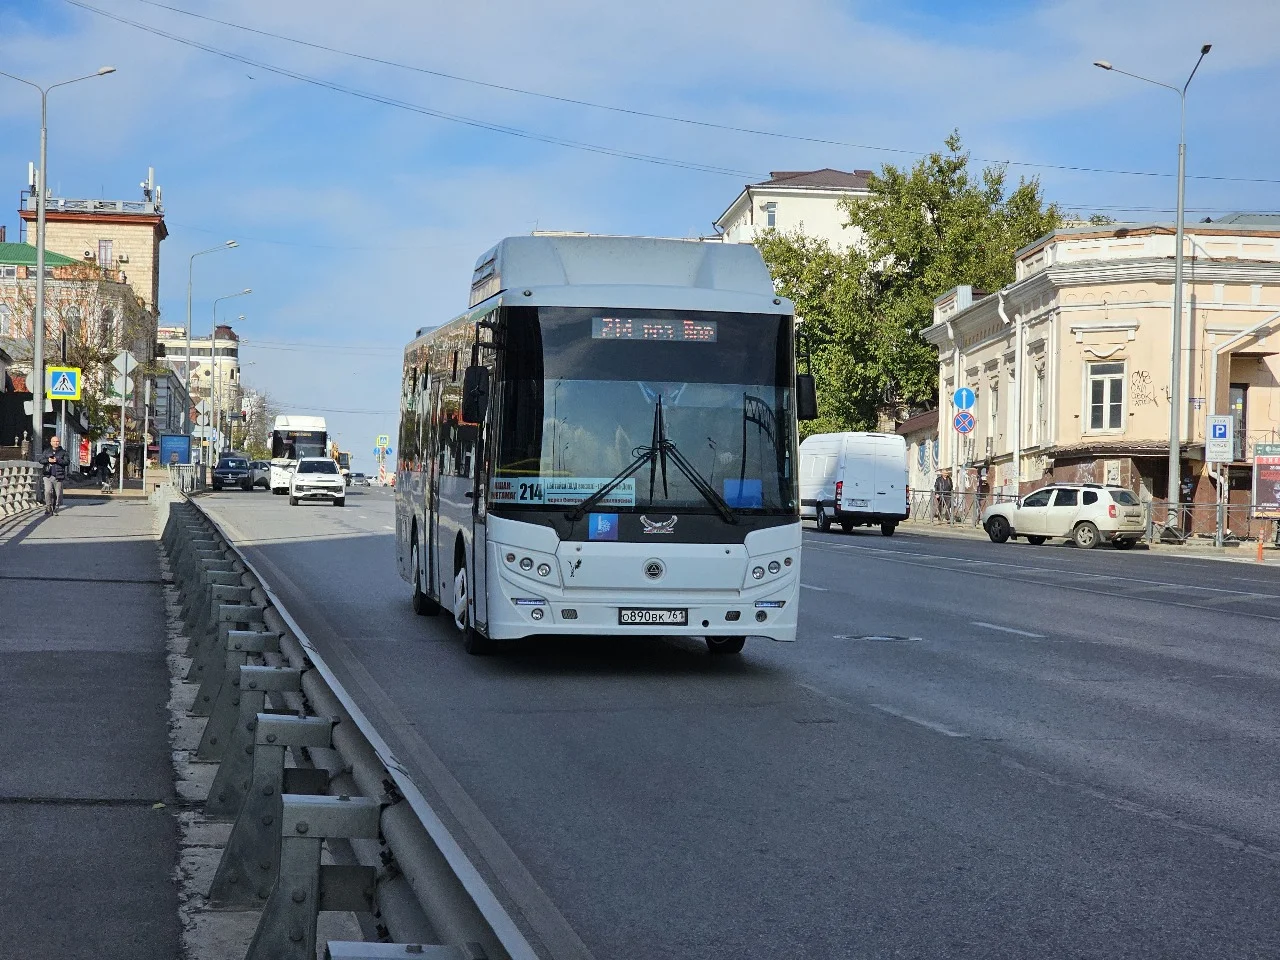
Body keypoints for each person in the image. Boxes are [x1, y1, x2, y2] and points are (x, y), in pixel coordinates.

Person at [41, 436, 70, 515]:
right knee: (47, 491)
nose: (56, 443)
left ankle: (56, 507)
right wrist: (48, 460)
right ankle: (48, 506)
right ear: (51, 442)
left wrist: (57, 460)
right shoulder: (46, 451)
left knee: (57, 493)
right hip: (47, 474)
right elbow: (41, 460)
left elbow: (67, 462)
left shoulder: (63, 452)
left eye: (57, 441)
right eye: (54, 441)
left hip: (58, 475)